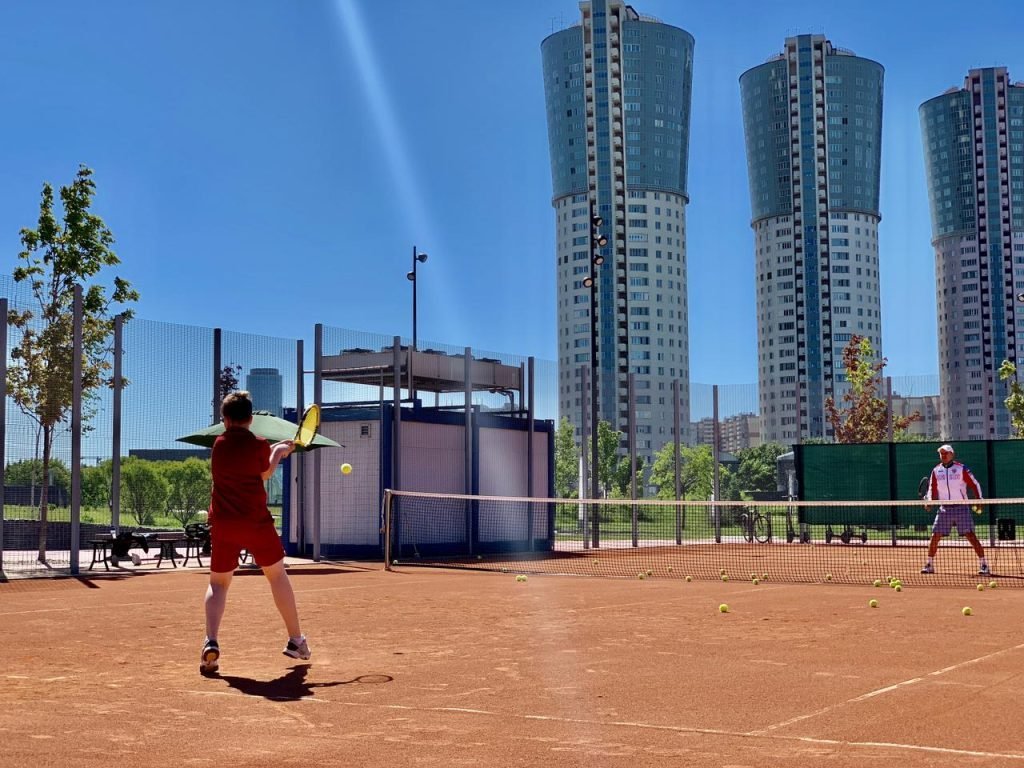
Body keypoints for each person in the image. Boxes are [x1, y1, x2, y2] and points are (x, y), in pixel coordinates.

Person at [200, 390, 310, 675]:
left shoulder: (218, 445)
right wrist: (277, 451)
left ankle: (210, 641)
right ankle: (296, 641)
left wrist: (273, 450)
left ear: (224, 420)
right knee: (277, 576)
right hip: (256, 522)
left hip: (224, 524)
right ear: (251, 419)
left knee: (218, 583)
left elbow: (253, 465)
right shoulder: (259, 444)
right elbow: (265, 472)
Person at [921, 443, 989, 576]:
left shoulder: (961, 469)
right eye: (941, 453)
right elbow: (932, 488)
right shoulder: (936, 470)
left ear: (952, 454)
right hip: (944, 509)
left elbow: (974, 484)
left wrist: (979, 499)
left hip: (961, 508)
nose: (943, 455)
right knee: (935, 536)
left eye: (946, 453)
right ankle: (929, 564)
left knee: (970, 536)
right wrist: (929, 501)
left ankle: (984, 564)